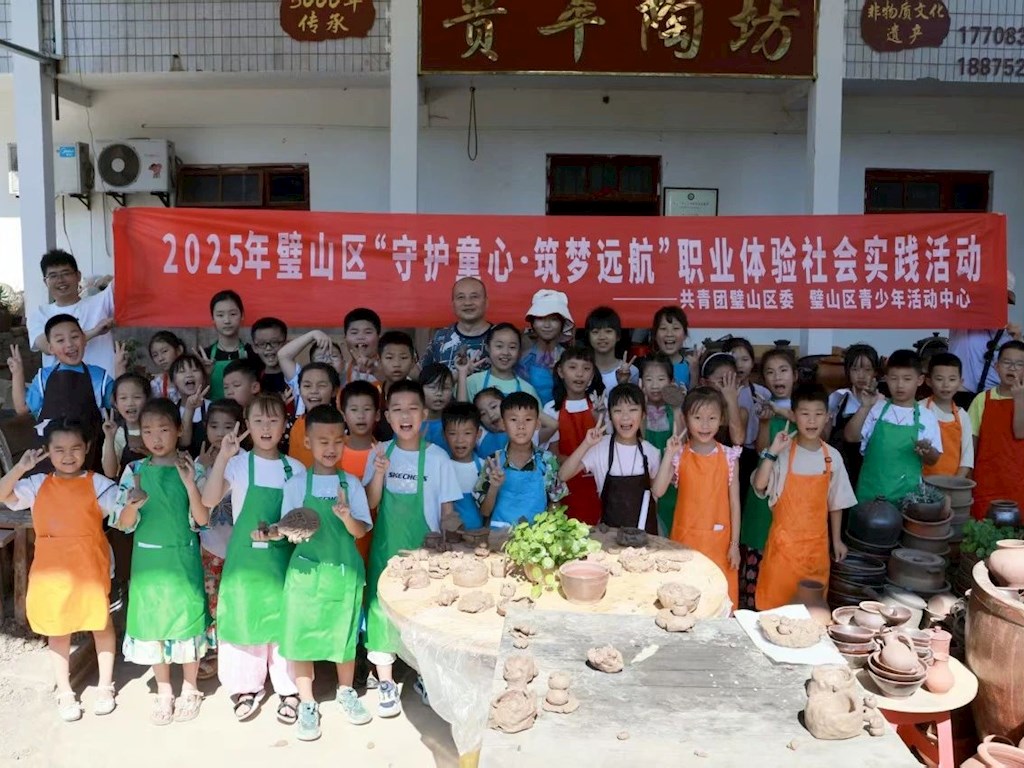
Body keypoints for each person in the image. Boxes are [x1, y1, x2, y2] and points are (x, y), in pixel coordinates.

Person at [261, 405, 373, 741]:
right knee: (301, 636)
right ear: (308, 442)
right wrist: (276, 532)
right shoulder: (296, 485)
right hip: (306, 575)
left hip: (343, 572)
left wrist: (346, 516)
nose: (330, 448)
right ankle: (307, 702)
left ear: (345, 442)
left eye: (337, 441)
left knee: (344, 635)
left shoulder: (351, 484)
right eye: (323, 441)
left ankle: (346, 691)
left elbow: (360, 531)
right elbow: (287, 528)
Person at [0, 419, 118, 722]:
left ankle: (105, 685)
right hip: (52, 568)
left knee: (100, 623)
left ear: (87, 448)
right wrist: (20, 468)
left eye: (75, 448)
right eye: (59, 449)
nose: (68, 456)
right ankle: (65, 691)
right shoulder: (37, 484)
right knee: (58, 629)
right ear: (48, 451)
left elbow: (121, 511)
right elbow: (3, 495)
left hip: (89, 565)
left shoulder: (98, 483)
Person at [201, 395, 304, 725]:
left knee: (284, 620)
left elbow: (300, 520)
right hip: (244, 559)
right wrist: (223, 457)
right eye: (258, 420)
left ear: (285, 425)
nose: (265, 427)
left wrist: (279, 531)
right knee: (244, 617)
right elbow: (209, 499)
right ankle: (245, 688)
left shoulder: (295, 469)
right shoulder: (238, 464)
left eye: (273, 420)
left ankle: (289, 689)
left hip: (282, 558)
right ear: (246, 424)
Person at [364, 381, 461, 718]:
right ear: (387, 416)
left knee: (425, 613)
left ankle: (425, 676)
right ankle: (386, 682)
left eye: (412, 409)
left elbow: (448, 511)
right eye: (397, 409)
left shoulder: (438, 458)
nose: (405, 416)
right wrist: (378, 473)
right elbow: (371, 502)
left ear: (424, 414)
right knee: (380, 612)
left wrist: (452, 533)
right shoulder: (380, 453)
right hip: (386, 550)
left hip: (426, 555)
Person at [113, 398, 211, 726]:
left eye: (164, 429)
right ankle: (165, 688)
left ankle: (191, 687)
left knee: (187, 619)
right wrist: (133, 505)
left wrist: (189, 484)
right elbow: (123, 524)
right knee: (154, 619)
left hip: (183, 555)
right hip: (148, 560)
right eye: (148, 431)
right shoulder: (134, 472)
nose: (156, 438)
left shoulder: (193, 468)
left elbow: (203, 519)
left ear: (179, 430)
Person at [752, 385, 856, 611]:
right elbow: (759, 485)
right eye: (805, 414)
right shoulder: (783, 451)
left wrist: (836, 540)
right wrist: (772, 451)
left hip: (816, 550)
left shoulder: (832, 457)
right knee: (774, 612)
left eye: (818, 414)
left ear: (827, 417)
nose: (811, 421)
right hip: (783, 549)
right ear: (793, 415)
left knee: (811, 612)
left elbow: (836, 502)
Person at [653, 386, 741, 608]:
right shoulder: (679, 454)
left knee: (718, 600)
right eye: (698, 418)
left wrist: (734, 544)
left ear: (721, 419)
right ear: (686, 419)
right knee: (684, 600)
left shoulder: (729, 456)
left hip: (720, 543)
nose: (705, 425)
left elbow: (734, 503)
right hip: (685, 539)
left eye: (712, 418)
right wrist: (669, 453)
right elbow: (658, 491)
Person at [9, 315, 112, 474]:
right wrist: (17, 373)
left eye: (74, 337)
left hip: (89, 462)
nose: (69, 344)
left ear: (84, 340)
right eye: (60, 340)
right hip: (48, 465)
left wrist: (120, 370)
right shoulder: (43, 377)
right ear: (51, 348)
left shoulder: (100, 377)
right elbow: (22, 408)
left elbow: (121, 404)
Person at [738, 347, 798, 610]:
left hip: (794, 488)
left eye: (783, 371)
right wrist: (764, 422)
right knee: (759, 544)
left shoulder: (804, 406)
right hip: (764, 486)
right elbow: (762, 449)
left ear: (795, 375)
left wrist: (781, 412)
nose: (778, 377)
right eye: (771, 373)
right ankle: (755, 606)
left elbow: (814, 430)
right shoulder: (762, 406)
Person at [559, 383, 661, 533]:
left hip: (645, 536)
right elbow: (563, 475)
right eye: (618, 411)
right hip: (610, 536)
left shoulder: (651, 452)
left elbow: (656, 496)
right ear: (610, 416)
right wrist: (586, 444)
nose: (625, 417)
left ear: (643, 415)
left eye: (633, 410)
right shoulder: (600, 448)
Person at [844, 349, 942, 504]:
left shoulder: (927, 416)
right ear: (886, 378)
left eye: (907, 379)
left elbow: (933, 460)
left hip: (908, 499)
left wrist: (927, 451)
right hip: (870, 497)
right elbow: (850, 437)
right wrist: (864, 407)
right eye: (894, 378)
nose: (900, 385)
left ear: (920, 380)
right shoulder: (875, 409)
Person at [194, 398, 245, 681]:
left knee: (237, 598)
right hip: (210, 545)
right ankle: (213, 650)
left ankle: (238, 649)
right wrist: (202, 468)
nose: (220, 432)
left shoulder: (246, 459)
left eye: (228, 426)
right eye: (214, 426)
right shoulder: (201, 461)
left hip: (241, 547)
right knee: (212, 600)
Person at [477, 392, 566, 528]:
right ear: (503, 424)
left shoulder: (548, 461)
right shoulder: (493, 462)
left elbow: (555, 502)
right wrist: (494, 486)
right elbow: (485, 512)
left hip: (536, 535)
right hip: (499, 535)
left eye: (528, 419)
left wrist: (549, 530)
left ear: (537, 424)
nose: (521, 426)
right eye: (513, 420)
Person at [544, 346, 605, 526]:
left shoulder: (600, 405)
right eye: (572, 367)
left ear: (592, 374)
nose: (579, 374)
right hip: (566, 484)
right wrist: (580, 464)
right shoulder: (551, 410)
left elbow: (609, 446)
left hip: (597, 483)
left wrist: (599, 417)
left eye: (586, 368)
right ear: (560, 371)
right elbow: (553, 455)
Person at [28, 250, 115, 373]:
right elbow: (48, 346)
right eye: (53, 276)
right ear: (45, 281)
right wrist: (94, 332)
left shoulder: (101, 301)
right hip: (61, 384)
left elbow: (127, 275)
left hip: (104, 383)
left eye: (66, 273)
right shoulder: (39, 314)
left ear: (78, 276)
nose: (60, 280)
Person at [948, 269, 1021, 408]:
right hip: (961, 394)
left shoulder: (1008, 332)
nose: (1000, 304)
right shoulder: (961, 318)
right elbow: (958, 276)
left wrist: (1018, 341)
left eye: (1003, 300)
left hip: (994, 397)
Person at [969, 340, 1024, 520]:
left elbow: (1020, 432)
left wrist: (1019, 399)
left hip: (1019, 481)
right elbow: (971, 444)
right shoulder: (982, 399)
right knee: (983, 530)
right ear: (996, 366)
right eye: (1007, 362)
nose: (1012, 368)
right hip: (987, 480)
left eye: (1019, 364)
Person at [339, 380, 381, 565]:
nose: (361, 415)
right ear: (344, 415)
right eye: (354, 409)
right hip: (337, 538)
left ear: (377, 414)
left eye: (367, 409)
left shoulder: (383, 453)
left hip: (374, 539)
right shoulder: (333, 451)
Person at [827, 344, 880, 490]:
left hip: (871, 466)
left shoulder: (882, 403)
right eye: (855, 369)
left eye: (867, 369)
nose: (861, 375)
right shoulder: (838, 398)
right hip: (843, 466)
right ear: (847, 371)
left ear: (876, 372)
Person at [640, 354, 678, 536]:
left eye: (661, 379)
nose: (655, 385)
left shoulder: (675, 410)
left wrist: (677, 407)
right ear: (641, 382)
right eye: (649, 379)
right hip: (645, 475)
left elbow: (681, 439)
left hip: (671, 476)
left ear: (671, 382)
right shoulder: (637, 410)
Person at [421, 277, 493, 371]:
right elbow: (421, 373)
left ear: (486, 302)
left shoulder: (499, 336)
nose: (467, 303)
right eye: (461, 297)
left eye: (474, 296)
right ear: (453, 304)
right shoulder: (440, 337)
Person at [518, 289, 574, 406]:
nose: (547, 325)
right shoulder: (522, 358)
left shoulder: (571, 359)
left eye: (554, 319)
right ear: (533, 323)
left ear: (562, 324)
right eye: (541, 318)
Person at [922, 353, 974, 478]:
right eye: (939, 379)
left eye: (952, 379)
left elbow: (967, 458)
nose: (946, 385)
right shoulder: (920, 409)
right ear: (928, 381)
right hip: (921, 483)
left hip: (952, 483)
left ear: (960, 382)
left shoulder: (963, 416)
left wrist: (954, 484)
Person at [462, 323, 539, 403]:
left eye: (512, 347)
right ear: (488, 348)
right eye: (499, 346)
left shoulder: (528, 390)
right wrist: (461, 372)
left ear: (519, 351)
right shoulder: (472, 382)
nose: (505, 352)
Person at [200, 290, 254, 402]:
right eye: (220, 315)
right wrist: (206, 376)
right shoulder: (205, 356)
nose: (227, 320)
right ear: (213, 318)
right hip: (213, 412)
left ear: (242, 315)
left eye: (233, 314)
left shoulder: (252, 353)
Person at [443, 401, 485, 529]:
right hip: (450, 536)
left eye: (467, 433)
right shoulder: (442, 467)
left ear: (478, 434)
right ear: (444, 435)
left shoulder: (485, 467)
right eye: (453, 433)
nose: (460, 440)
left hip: (478, 536)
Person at [101, 372, 150, 479]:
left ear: (147, 399)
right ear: (116, 403)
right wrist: (110, 438)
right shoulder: (116, 433)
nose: (130, 403)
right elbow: (110, 473)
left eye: (137, 397)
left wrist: (150, 454)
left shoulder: (157, 428)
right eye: (123, 398)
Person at [585, 306, 638, 392]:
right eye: (595, 332)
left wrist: (623, 382)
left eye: (608, 331)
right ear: (588, 336)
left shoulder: (631, 370)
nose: (602, 337)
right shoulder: (582, 370)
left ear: (618, 336)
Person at [700, 353, 747, 448]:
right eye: (722, 382)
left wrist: (732, 400)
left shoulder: (742, 412)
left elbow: (737, 440)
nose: (727, 388)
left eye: (731, 381)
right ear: (704, 382)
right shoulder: (696, 410)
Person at [171, 353, 211, 457]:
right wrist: (189, 409)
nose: (189, 374)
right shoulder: (169, 411)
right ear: (173, 381)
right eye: (181, 371)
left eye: (195, 370)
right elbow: (183, 444)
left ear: (204, 377)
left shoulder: (212, 408)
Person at [649, 306, 697, 389]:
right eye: (663, 328)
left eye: (676, 328)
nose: (669, 334)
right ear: (655, 335)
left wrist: (695, 372)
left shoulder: (691, 364)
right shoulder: (647, 364)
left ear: (685, 334)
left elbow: (695, 395)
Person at [341, 307, 383, 385]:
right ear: (345, 339)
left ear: (379, 338)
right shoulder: (340, 371)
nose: (360, 337)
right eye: (354, 332)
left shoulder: (391, 369)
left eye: (368, 332)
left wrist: (375, 371)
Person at [250, 317, 289, 396]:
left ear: (286, 344)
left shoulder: (296, 376)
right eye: (262, 344)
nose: (268, 348)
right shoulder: (253, 379)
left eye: (274, 342)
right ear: (254, 347)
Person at [419, 363, 455, 448]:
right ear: (420, 389)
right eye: (432, 387)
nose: (439, 393)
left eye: (445, 388)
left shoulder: (454, 423)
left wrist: (462, 373)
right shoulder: (409, 424)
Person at [148, 331, 185, 400]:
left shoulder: (192, 378)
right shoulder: (156, 385)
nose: (160, 358)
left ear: (179, 350)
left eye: (164, 351)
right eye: (155, 355)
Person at [474, 387, 509, 458]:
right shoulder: (482, 440)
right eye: (483, 413)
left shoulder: (526, 429)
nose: (490, 415)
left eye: (493, 407)